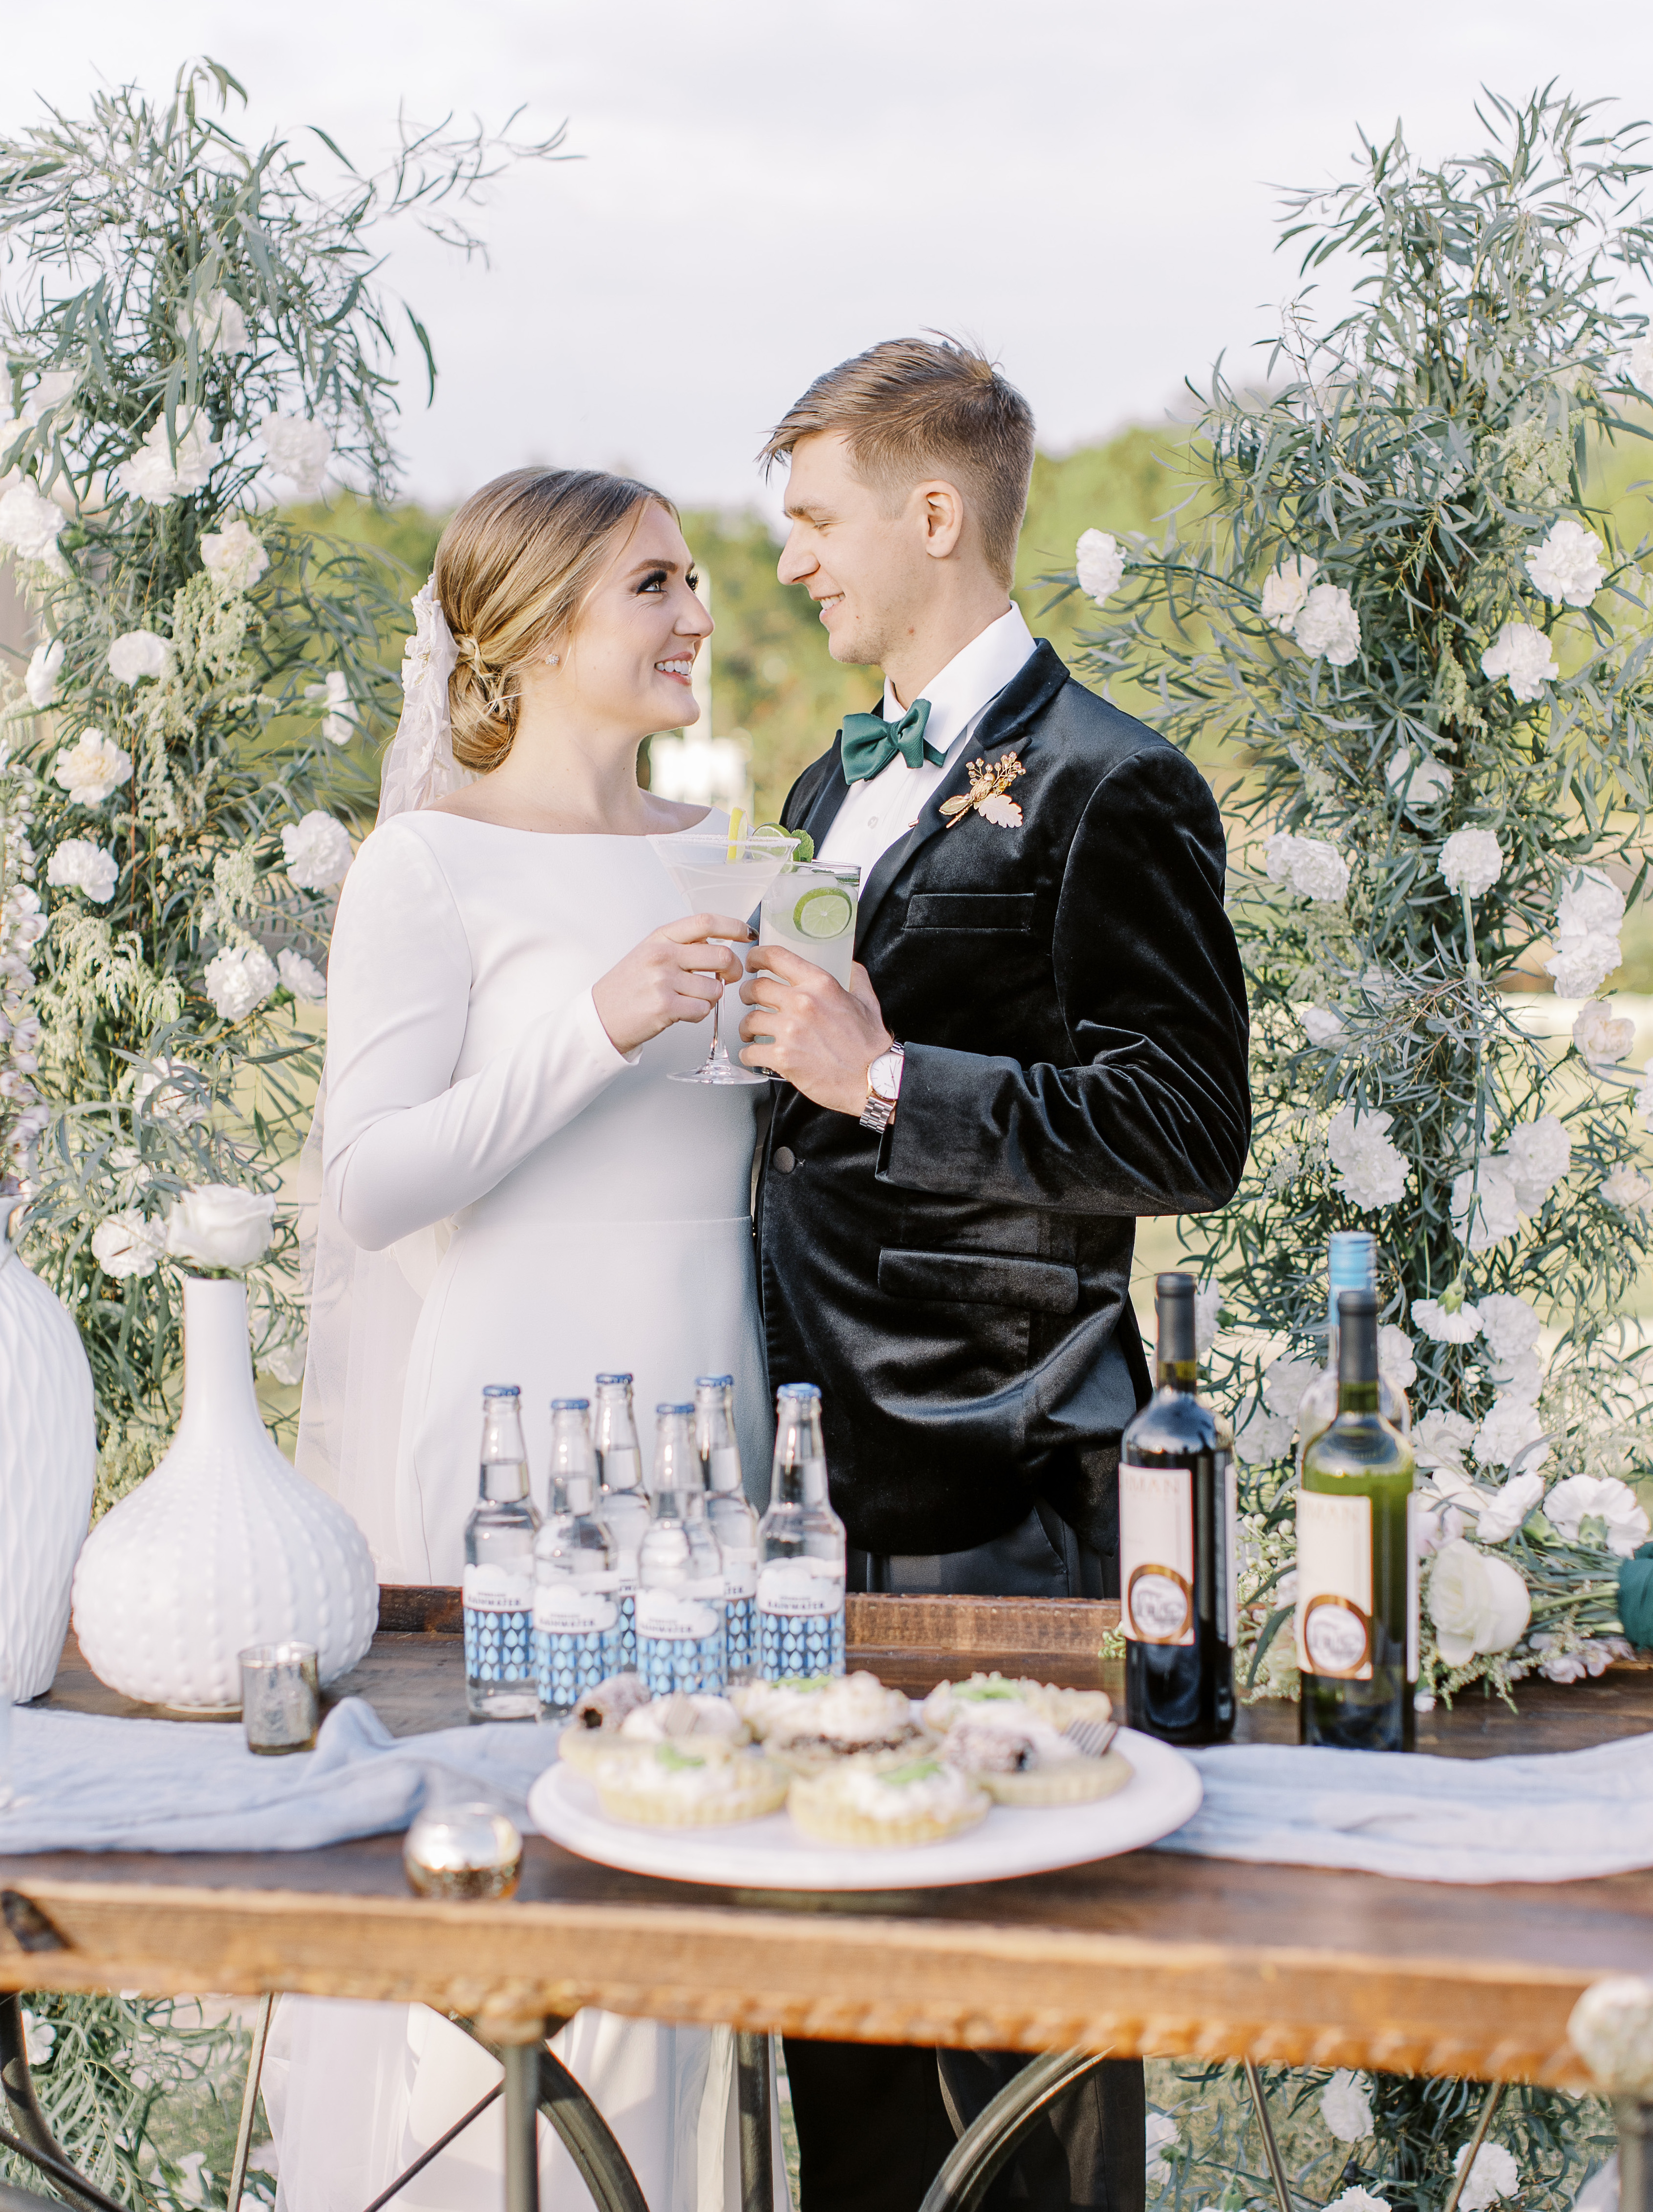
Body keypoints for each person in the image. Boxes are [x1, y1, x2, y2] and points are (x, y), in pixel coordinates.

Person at [739, 339, 1251, 2212]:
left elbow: (1188, 1123)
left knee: (1019, 2060)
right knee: (849, 2054)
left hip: (1011, 1490)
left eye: (816, 518)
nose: (792, 561)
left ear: (933, 513)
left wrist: (882, 1078)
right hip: (811, 1492)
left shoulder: (1120, 784)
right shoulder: (821, 792)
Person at [279, 467, 783, 2212]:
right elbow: (369, 1182)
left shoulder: (731, 860)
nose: (696, 617)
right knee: (509, 1907)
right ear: (542, 622)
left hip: (710, 1433)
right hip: (514, 1438)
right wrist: (600, 1018)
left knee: (688, 1897)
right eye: (654, 585)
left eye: (693, 582)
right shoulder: (424, 868)